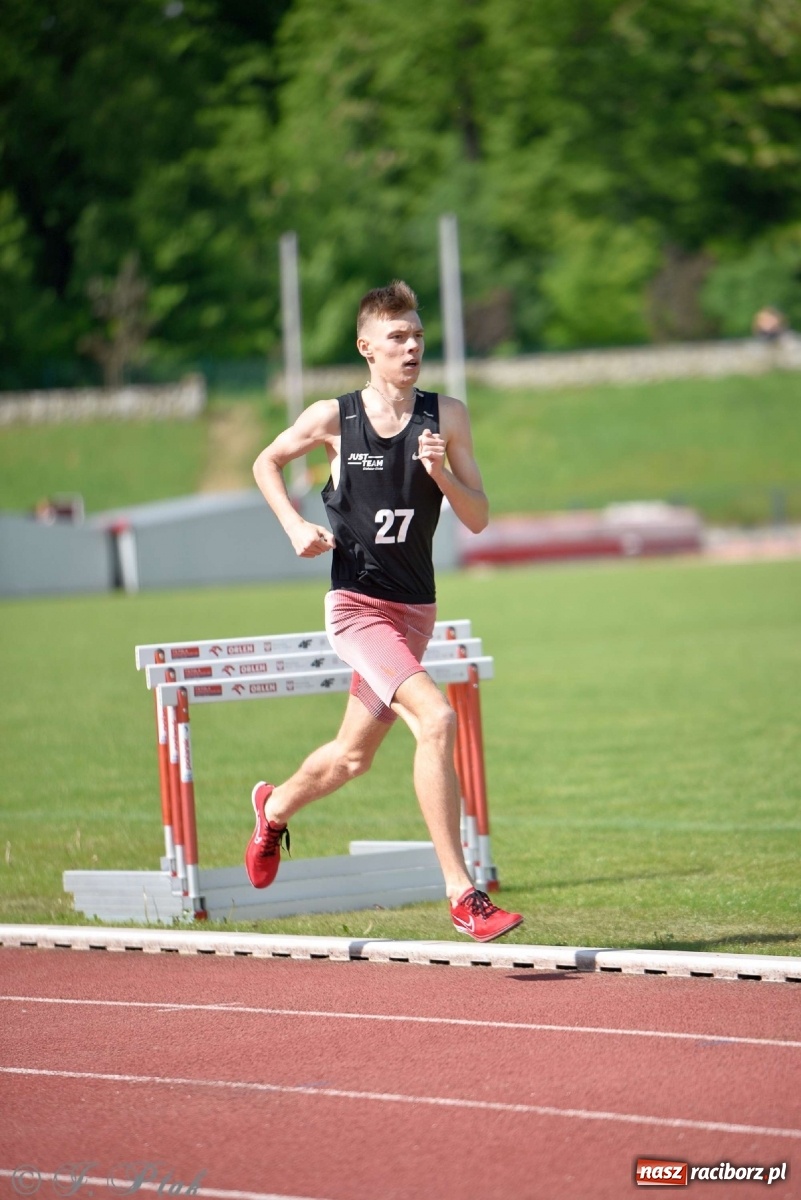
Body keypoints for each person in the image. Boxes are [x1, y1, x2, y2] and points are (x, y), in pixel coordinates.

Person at [247, 280, 523, 943]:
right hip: (356, 608)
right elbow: (265, 460)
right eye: (397, 337)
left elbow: (479, 519)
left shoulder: (446, 417)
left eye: (418, 336)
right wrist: (292, 525)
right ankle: (462, 895)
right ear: (365, 347)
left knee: (349, 760)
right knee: (436, 717)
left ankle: (274, 807)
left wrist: (443, 478)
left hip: (414, 611)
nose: (411, 347)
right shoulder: (331, 417)